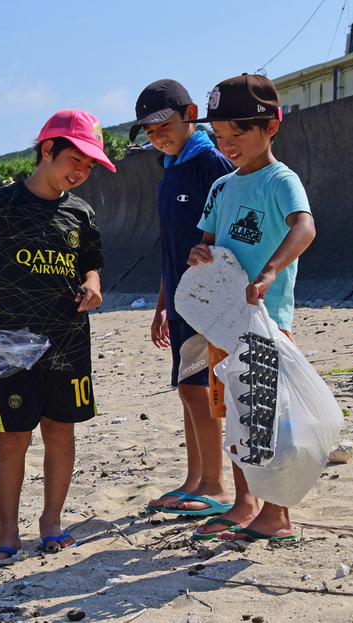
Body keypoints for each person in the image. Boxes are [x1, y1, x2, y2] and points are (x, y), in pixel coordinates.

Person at [0, 109, 114, 564]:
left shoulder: (81, 213)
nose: (81, 172)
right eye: (76, 159)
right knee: (13, 437)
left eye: (90, 166)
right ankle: (7, 532)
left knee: (61, 431)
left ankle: (51, 522)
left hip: (69, 342)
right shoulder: (0, 204)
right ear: (47, 149)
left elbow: (92, 263)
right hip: (13, 344)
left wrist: (94, 284)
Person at [186, 74, 315, 542]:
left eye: (238, 134)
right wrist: (198, 256)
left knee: (266, 418)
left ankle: (277, 514)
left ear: (271, 127)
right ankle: (245, 502)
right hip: (225, 324)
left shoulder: (281, 180)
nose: (229, 144)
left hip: (266, 322)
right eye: (220, 137)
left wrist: (272, 269)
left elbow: (304, 227)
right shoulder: (221, 187)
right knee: (235, 417)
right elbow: (205, 244)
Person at [131, 80, 234, 517]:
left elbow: (227, 237)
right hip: (178, 302)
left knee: (199, 389)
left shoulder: (211, 164)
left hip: (207, 303)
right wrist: (160, 305)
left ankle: (216, 485)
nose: (158, 136)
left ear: (191, 113)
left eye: (164, 125)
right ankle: (195, 479)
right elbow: (169, 246)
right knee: (186, 390)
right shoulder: (170, 167)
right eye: (149, 131)